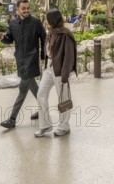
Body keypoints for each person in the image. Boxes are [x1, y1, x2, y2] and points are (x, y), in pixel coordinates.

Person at [0, 0, 47, 129]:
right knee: (32, 86)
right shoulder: (13, 23)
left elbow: (44, 38)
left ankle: (12, 119)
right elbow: (9, 39)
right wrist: (4, 38)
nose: (26, 10)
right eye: (23, 8)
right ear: (18, 10)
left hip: (32, 59)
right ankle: (44, 109)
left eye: (28, 8)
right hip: (20, 59)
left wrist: (43, 55)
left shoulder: (36, 22)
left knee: (22, 90)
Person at [35, 8, 77, 138]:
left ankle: (64, 126)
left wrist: (65, 75)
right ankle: (45, 125)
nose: (46, 21)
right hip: (49, 68)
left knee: (63, 99)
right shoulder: (51, 32)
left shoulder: (65, 34)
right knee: (41, 94)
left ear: (53, 20)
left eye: (47, 19)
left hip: (60, 70)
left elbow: (69, 56)